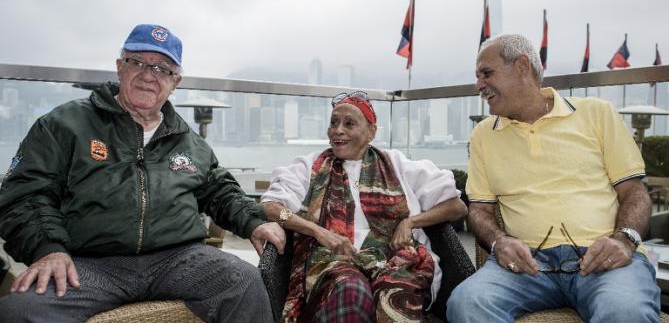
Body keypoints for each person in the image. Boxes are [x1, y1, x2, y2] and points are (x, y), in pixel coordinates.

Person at [0, 24, 285, 323]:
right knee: (20, 311)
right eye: (138, 62)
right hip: (88, 263)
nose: (149, 75)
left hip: (177, 259)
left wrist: (254, 223)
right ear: (120, 67)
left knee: (245, 282)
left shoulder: (189, 141)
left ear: (175, 82)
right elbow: (25, 193)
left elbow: (220, 191)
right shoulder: (64, 124)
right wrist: (48, 248)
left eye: (163, 68)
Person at [447, 34, 660, 322]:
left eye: (487, 73)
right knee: (466, 304)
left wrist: (624, 240)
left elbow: (635, 193)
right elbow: (479, 210)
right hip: (527, 267)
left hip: (602, 258)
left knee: (624, 311)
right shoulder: (484, 135)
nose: (478, 85)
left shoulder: (597, 113)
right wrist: (499, 242)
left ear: (523, 66)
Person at [260, 91, 467, 323]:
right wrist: (318, 231)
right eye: (334, 123)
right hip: (333, 263)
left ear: (371, 132)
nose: (338, 130)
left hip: (397, 262)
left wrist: (410, 222)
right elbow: (271, 206)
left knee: (395, 296)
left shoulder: (399, 165)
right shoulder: (309, 167)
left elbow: (456, 207)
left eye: (349, 124)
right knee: (351, 292)